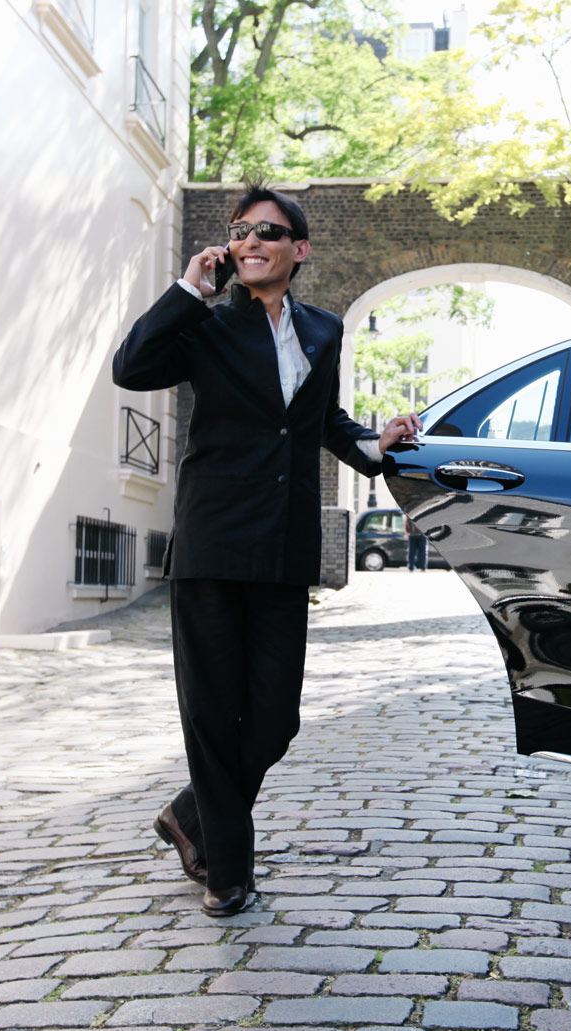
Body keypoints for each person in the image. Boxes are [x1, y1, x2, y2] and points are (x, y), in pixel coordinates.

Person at [112, 184, 421, 917]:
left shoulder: (324, 328)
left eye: (269, 232)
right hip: (214, 540)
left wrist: (373, 446)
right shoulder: (205, 326)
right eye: (241, 231)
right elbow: (132, 366)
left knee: (275, 717)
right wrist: (188, 287)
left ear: (298, 249)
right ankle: (227, 871)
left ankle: (189, 814)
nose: (253, 241)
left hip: (284, 544)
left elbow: (322, 420)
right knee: (214, 711)